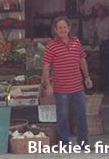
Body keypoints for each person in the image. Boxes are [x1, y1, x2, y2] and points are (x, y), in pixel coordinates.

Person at [42, 16, 93, 149]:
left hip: (77, 87)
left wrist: (87, 77)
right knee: (63, 116)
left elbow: (82, 60)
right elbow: (46, 67)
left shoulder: (76, 42)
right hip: (61, 89)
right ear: (55, 30)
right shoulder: (51, 46)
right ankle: (64, 143)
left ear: (69, 28)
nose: (62, 30)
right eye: (60, 28)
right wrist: (48, 85)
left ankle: (83, 143)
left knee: (81, 115)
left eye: (65, 27)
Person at [95, 6, 109, 91]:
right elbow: (96, 32)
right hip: (101, 43)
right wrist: (95, 41)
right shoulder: (97, 20)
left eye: (100, 12)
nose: (98, 14)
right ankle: (104, 84)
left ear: (104, 13)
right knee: (102, 66)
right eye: (97, 12)